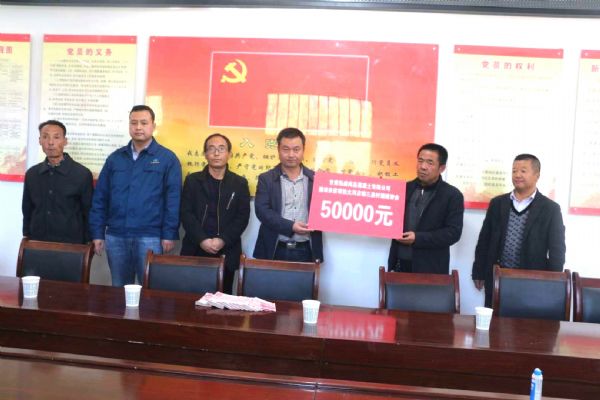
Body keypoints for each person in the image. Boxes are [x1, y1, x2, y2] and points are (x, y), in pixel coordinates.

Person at [89, 105, 182, 286]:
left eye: (144, 123)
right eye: (134, 123)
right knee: (119, 288)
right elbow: (100, 197)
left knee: (150, 289)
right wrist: (98, 233)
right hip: (116, 235)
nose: (138, 127)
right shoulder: (115, 158)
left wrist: (169, 234)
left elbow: (173, 200)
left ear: (153, 126)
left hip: (151, 236)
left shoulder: (167, 159)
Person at [472, 154, 566, 307]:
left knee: (528, 320)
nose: (517, 175)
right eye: (514, 171)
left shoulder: (550, 208)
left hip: (532, 281)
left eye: (523, 171)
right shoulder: (498, 203)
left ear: (537, 175)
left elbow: (557, 249)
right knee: (494, 319)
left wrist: (553, 280)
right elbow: (484, 240)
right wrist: (478, 271)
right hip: (497, 278)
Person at [180, 133, 250, 294]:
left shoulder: (239, 183)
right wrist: (202, 239)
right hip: (196, 248)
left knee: (222, 300)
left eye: (221, 149)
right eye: (211, 149)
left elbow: (242, 217)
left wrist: (222, 240)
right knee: (191, 298)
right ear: (205, 154)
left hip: (227, 250)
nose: (216, 153)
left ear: (229, 154)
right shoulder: (193, 181)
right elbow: (186, 213)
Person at [387, 143, 464, 274]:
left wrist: (417, 238)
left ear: (442, 168)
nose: (423, 166)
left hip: (431, 268)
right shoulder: (403, 189)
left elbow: (453, 233)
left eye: (430, 163)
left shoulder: (452, 195)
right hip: (399, 264)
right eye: (420, 161)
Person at [253, 127, 323, 263]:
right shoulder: (266, 179)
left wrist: (328, 187)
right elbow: (262, 211)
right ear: (278, 150)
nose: (291, 154)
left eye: (296, 149)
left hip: (307, 249)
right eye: (286, 149)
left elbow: (326, 211)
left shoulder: (316, 179)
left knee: (305, 279)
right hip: (274, 248)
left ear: (303, 150)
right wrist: (290, 226)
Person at [22, 120, 93, 244]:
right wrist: (27, 234)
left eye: (56, 137)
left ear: (65, 141)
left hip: (71, 242)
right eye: (45, 137)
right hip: (38, 240)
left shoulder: (82, 174)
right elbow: (27, 208)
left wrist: (89, 240)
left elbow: (88, 211)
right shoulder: (32, 174)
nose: (50, 142)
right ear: (40, 141)